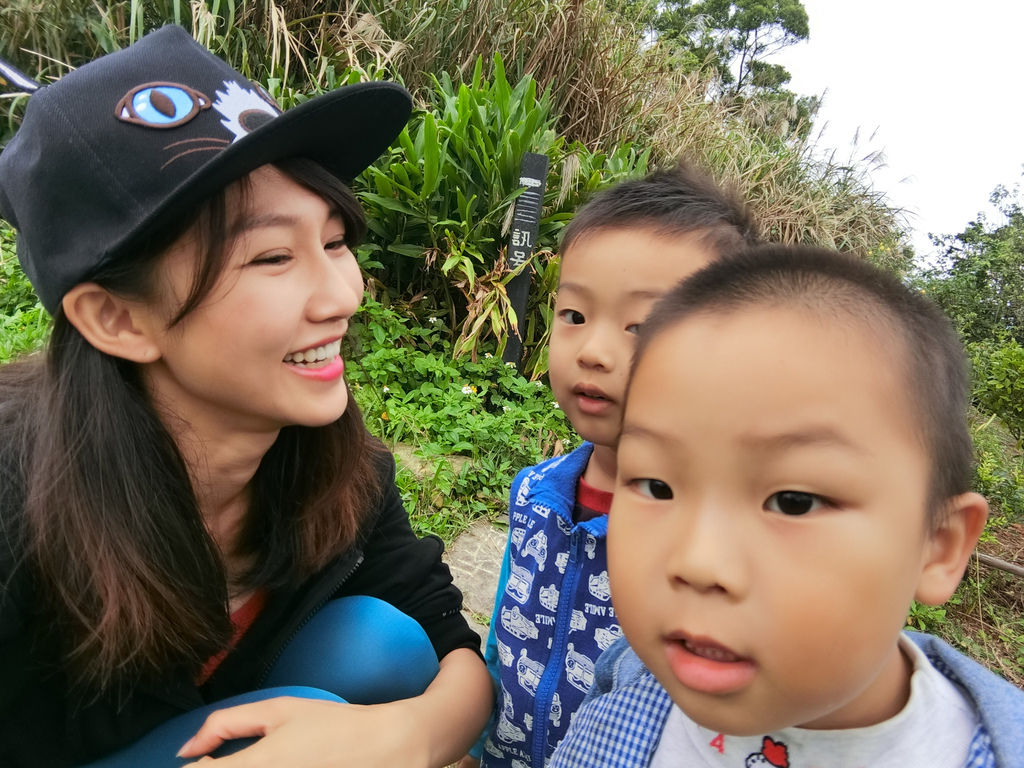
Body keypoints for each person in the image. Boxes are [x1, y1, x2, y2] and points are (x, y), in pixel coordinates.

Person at [0, 25, 492, 768]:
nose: (342, 295)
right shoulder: (17, 501)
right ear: (118, 319)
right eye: (271, 256)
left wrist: (403, 739)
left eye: (333, 242)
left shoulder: (336, 465)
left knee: (383, 643)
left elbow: (455, 653)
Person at [549, 245, 1024, 768]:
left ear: (938, 546)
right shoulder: (623, 686)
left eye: (793, 502)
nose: (699, 563)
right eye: (657, 486)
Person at [460, 165, 759, 768]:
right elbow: (506, 631)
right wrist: (475, 746)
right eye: (574, 315)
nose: (593, 351)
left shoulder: (713, 544)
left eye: (641, 326)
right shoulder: (535, 491)